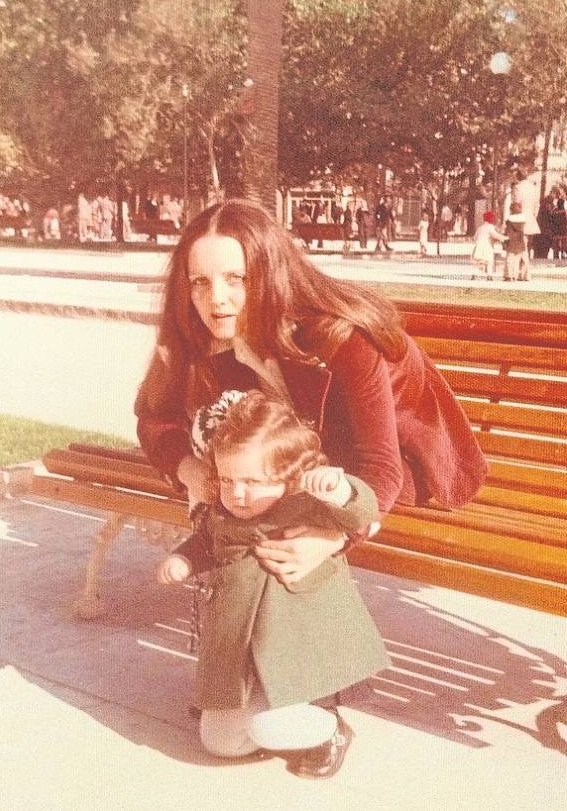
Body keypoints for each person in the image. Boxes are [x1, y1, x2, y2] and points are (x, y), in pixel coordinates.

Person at [135, 198, 487, 592]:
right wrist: (190, 470)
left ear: (269, 273)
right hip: (300, 458)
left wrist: (333, 537)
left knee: (264, 523)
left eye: (236, 278)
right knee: (247, 508)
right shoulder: (198, 328)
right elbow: (154, 417)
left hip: (401, 465)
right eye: (200, 281)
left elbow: (381, 465)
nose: (215, 298)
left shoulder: (341, 336)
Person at [158, 390, 387, 778]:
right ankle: (253, 715)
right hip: (244, 653)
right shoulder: (225, 512)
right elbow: (207, 541)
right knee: (219, 743)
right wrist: (182, 559)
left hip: (298, 649)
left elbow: (363, 512)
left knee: (270, 725)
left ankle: (327, 731)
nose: (237, 493)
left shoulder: (305, 506)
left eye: (252, 481)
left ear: (286, 474)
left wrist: (340, 488)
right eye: (228, 479)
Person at [470, 210, 507, 280]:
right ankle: (489, 275)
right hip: (487, 247)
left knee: (478, 262)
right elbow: (495, 235)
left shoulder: (480, 228)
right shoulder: (490, 227)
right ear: (491, 219)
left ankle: (474, 274)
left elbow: (475, 237)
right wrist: (505, 238)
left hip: (478, 247)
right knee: (489, 262)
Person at [503, 201, 528, 282]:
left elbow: (507, 232)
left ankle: (509, 276)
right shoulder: (523, 221)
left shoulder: (509, 221)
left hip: (511, 241)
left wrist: (504, 242)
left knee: (510, 260)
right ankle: (519, 276)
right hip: (520, 241)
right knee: (520, 260)